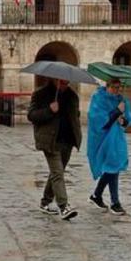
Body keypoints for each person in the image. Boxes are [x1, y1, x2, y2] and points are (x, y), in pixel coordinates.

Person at [27, 78, 81, 220]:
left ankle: (45, 202)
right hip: (50, 140)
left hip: (67, 140)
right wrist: (49, 110)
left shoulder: (72, 95)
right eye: (62, 82)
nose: (65, 85)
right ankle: (64, 206)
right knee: (58, 173)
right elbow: (32, 115)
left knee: (58, 171)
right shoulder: (40, 94)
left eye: (67, 82)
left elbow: (76, 115)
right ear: (54, 80)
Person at [87, 79, 131, 215]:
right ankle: (114, 202)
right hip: (102, 138)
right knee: (113, 166)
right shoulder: (98, 98)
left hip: (116, 138)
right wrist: (115, 112)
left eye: (119, 87)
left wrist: (123, 119)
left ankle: (98, 195)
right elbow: (98, 120)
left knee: (115, 166)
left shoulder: (122, 100)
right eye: (114, 87)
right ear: (107, 86)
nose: (116, 90)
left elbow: (127, 119)